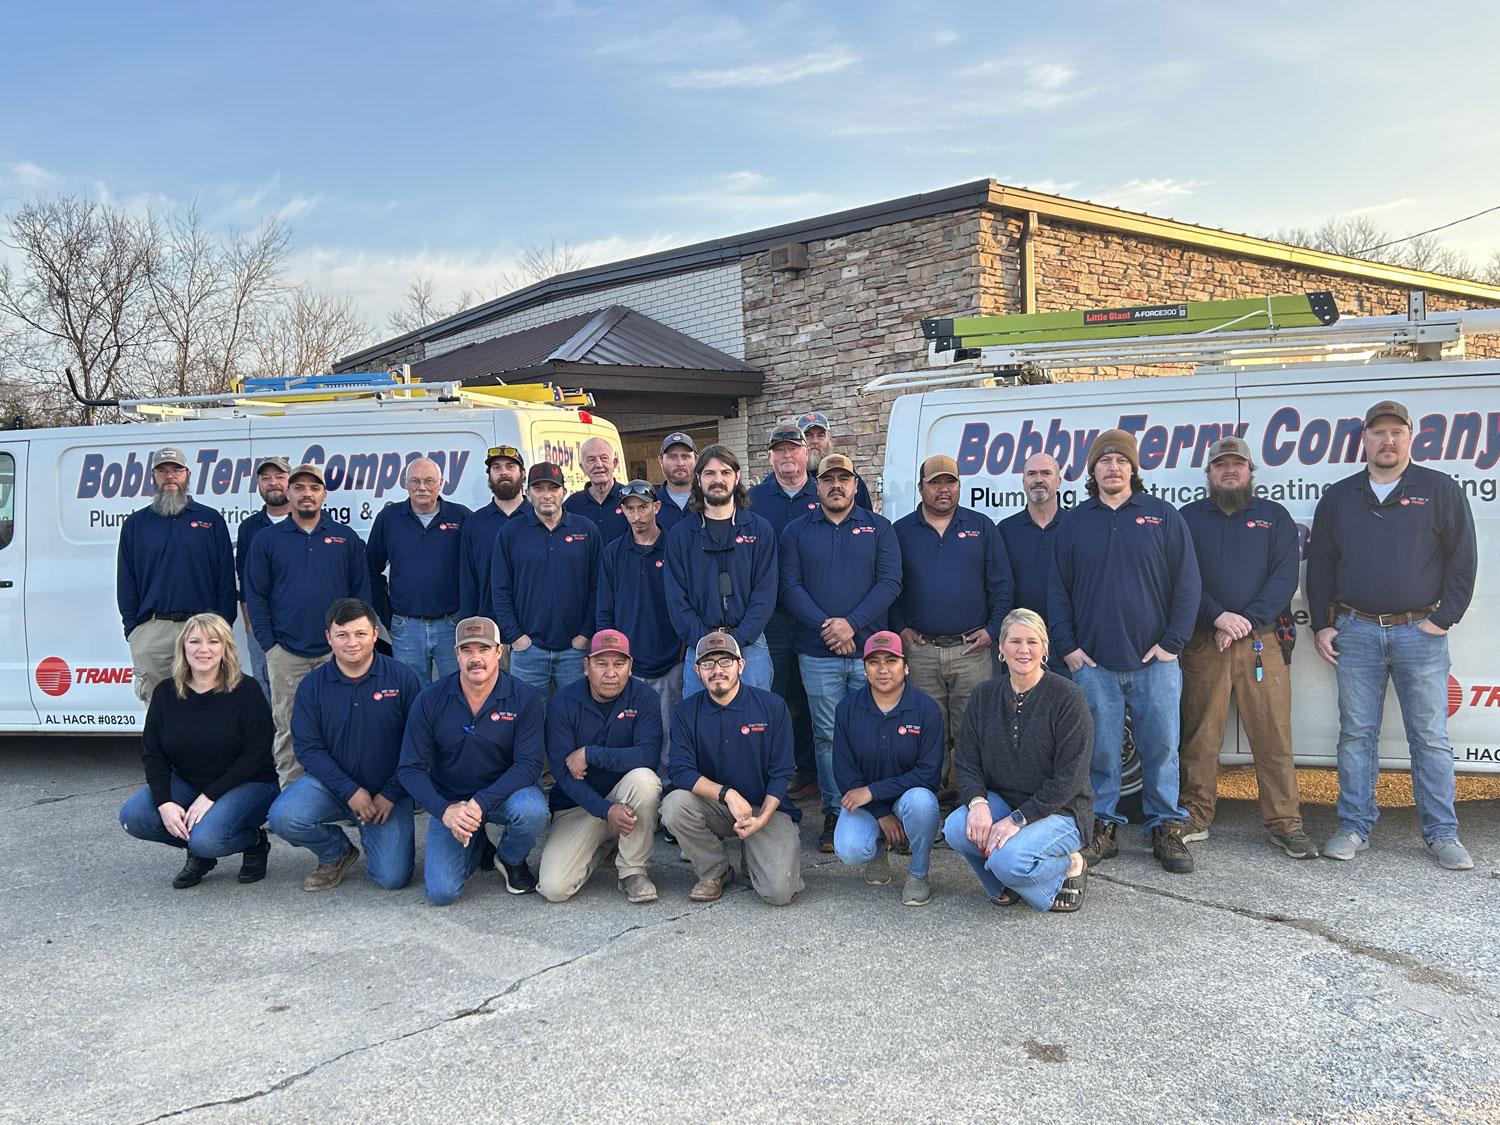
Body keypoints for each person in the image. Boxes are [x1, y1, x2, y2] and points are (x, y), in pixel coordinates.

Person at [1308, 399, 1478, 870]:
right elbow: (1321, 564)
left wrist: (1442, 620)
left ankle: (1442, 833)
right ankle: (1354, 826)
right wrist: (1323, 624)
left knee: (1429, 736)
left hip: (1419, 634)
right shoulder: (1339, 497)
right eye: (1378, 433)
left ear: (1410, 437)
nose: (1387, 441)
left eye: (1396, 432)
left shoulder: (1440, 490)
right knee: (1356, 734)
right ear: (1364, 440)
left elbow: (1463, 562)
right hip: (1356, 632)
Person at [1048, 430, 1201, 874]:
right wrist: (1069, 648)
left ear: (1133, 469)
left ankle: (1165, 827)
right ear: (1091, 471)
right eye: (1104, 461)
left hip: (1156, 663)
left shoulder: (1163, 516)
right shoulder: (1075, 523)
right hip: (1094, 664)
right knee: (1099, 750)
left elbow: (1187, 586)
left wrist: (1171, 644)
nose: (1113, 467)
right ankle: (1103, 827)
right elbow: (1057, 591)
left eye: (1121, 460)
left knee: (1162, 748)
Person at [1178, 437, 1315, 859]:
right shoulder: (1187, 519)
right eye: (1221, 465)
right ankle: (1194, 816)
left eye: (1237, 464)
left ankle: (1285, 824)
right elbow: (1182, 580)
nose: (1229, 471)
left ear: (1250, 472)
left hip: (1263, 643)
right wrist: (1218, 616)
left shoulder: (1274, 517)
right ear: (1209, 475)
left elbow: (1283, 581)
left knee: (1273, 736)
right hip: (1205, 642)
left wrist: (1244, 623)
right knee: (1199, 736)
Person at [779, 453, 902, 852]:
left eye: (843, 478)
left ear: (854, 484)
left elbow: (890, 583)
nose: (836, 485)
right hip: (817, 653)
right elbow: (790, 588)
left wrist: (850, 623)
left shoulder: (878, 528)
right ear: (817, 486)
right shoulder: (796, 532)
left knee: (874, 734)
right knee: (828, 736)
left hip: (871, 652)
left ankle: (878, 807)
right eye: (828, 478)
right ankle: (836, 810)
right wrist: (828, 628)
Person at [942, 609, 1094, 912]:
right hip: (1005, 801)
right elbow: (968, 761)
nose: (1023, 650)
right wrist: (978, 804)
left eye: (1032, 642)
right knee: (956, 828)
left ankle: (1069, 865)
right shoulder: (984, 695)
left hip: (1062, 811)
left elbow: (1070, 778)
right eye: (1014, 641)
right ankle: (1006, 883)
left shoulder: (1068, 698)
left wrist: (1017, 820)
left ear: (1045, 648)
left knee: (1007, 859)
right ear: (1001, 648)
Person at [267, 599, 422, 891]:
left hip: (387, 793)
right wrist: (350, 791)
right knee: (283, 817)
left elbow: (418, 745)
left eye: (360, 634)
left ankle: (375, 833)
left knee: (393, 878)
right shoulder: (312, 685)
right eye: (342, 635)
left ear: (376, 634)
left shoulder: (403, 678)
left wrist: (390, 792)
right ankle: (336, 852)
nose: (352, 643)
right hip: (333, 787)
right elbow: (309, 749)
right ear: (329, 637)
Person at [118, 612, 278, 889]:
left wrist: (209, 796)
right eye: (194, 642)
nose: (203, 650)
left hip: (249, 783)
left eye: (213, 642)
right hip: (189, 782)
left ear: (225, 648)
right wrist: (165, 802)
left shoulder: (247, 690)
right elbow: (153, 754)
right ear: (183, 647)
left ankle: (252, 841)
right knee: (135, 817)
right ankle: (199, 853)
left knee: (209, 838)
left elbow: (257, 755)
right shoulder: (166, 693)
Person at [397, 617, 549, 905]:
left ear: (499, 651)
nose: (475, 658)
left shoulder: (524, 697)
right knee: (442, 893)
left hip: (507, 794)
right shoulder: (430, 699)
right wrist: (445, 811)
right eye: (467, 650)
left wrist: (479, 803)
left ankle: (510, 858)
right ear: (456, 654)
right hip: (453, 800)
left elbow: (528, 765)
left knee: (533, 810)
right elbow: (410, 769)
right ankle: (477, 844)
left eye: (483, 648)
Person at [244, 463, 371, 786]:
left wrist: (355, 643)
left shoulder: (345, 539)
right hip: (287, 652)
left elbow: (361, 595)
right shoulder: (267, 540)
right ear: (289, 493)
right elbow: (255, 595)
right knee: (288, 727)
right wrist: (269, 645)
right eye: (299, 488)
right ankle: (291, 797)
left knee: (343, 726)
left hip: (339, 654)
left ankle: (342, 797)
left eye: (314, 488)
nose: (306, 494)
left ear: (324, 494)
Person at [890, 454, 1011, 790]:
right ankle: (932, 803)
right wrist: (901, 628)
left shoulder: (981, 526)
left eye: (950, 482)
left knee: (974, 731)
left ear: (959, 486)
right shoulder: (901, 531)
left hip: (970, 651)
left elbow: (1002, 586)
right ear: (921, 488)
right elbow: (891, 585)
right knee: (928, 734)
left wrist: (992, 630)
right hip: (921, 651)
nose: (943, 489)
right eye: (935, 483)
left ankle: (974, 804)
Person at [661, 634, 804, 906]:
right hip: (717, 805)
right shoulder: (685, 711)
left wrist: (761, 819)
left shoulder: (772, 706)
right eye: (708, 664)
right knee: (674, 805)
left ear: (741, 665)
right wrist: (727, 794)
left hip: (766, 808)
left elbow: (782, 771)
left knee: (778, 893)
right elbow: (680, 770)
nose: (717, 670)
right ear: (696, 670)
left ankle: (753, 852)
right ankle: (715, 870)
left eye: (725, 661)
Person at [537, 630, 664, 904]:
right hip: (576, 807)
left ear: (630, 667)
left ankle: (632, 870)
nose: (610, 673)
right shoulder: (562, 703)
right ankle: (605, 844)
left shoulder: (644, 698)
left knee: (645, 780)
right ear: (586, 667)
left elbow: (648, 755)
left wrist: (591, 754)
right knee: (554, 889)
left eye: (618, 664)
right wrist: (605, 811)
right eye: (601, 663)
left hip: (624, 797)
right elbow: (562, 774)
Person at [116, 446, 238, 705]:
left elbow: (225, 579)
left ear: (187, 474)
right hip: (153, 630)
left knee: (207, 703)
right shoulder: (136, 524)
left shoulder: (210, 520)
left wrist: (222, 626)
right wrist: (134, 630)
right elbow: (127, 583)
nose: (169, 476)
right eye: (162, 471)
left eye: (176, 470)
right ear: (153, 477)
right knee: (158, 707)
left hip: (202, 628)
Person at [832, 632, 943, 907]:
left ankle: (918, 873)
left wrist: (872, 791)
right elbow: (844, 770)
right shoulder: (848, 708)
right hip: (869, 805)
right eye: (873, 662)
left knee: (922, 802)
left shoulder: (926, 709)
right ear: (865, 668)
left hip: (904, 798)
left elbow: (928, 774)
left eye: (891, 660)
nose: (882, 669)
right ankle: (878, 849)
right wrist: (881, 812)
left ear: (905, 666)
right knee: (849, 849)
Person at [663, 443, 778, 695]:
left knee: (755, 724)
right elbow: (676, 597)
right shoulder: (681, 535)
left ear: (737, 477)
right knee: (701, 726)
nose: (718, 480)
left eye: (725, 472)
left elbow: (765, 592)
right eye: (710, 473)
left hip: (750, 647)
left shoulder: (759, 530)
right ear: (698, 479)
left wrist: (738, 640)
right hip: (700, 647)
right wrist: (704, 642)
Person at [746, 421, 822, 800]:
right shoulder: (754, 499)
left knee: (811, 697)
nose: (787, 455)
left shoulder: (825, 490)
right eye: (780, 450)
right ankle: (775, 771)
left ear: (807, 453)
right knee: (772, 698)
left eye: (794, 448)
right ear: (770, 456)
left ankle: (810, 771)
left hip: (815, 616)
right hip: (771, 617)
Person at [491, 462, 600, 698]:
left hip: (575, 650)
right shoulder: (510, 533)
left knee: (575, 718)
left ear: (565, 491)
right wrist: (516, 637)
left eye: (553, 488)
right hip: (529, 651)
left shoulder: (586, 530)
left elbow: (598, 587)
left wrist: (585, 635)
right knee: (527, 721)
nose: (547, 495)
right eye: (538, 489)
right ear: (527, 493)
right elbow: (500, 590)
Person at [596, 481, 682, 775]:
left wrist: (681, 651)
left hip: (670, 660)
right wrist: (611, 659)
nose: (637, 515)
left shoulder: (675, 547)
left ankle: (668, 797)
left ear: (656, 507)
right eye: (629, 508)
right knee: (630, 734)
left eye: (643, 507)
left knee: (670, 733)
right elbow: (604, 610)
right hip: (628, 663)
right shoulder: (613, 553)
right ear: (622, 511)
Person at [367, 457, 471, 682]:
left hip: (451, 624)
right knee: (411, 693)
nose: (422, 487)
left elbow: (475, 571)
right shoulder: (389, 519)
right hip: (406, 626)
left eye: (429, 481)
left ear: (441, 483)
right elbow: (372, 571)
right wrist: (386, 618)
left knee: (456, 691)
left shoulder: (461, 517)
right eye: (415, 481)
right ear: (405, 484)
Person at [235, 455, 292, 696]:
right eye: (266, 478)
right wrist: (250, 625)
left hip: (299, 625)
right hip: (262, 626)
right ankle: (273, 735)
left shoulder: (307, 522)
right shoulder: (249, 528)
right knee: (266, 687)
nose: (273, 483)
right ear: (258, 484)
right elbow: (244, 580)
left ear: (291, 482)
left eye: (280, 477)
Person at [998, 453, 1068, 634]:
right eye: (1031, 474)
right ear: (1023, 482)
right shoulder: (1005, 530)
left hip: (1070, 642)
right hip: (1021, 641)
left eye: (1046, 473)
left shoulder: (1076, 526)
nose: (1038, 480)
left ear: (1058, 481)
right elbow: (998, 589)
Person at [458, 445, 530, 622]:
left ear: (522, 474)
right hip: (489, 630)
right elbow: (468, 583)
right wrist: (470, 625)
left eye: (510, 467)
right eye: (496, 467)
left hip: (533, 631)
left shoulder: (539, 519)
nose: (503, 472)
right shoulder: (475, 524)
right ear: (489, 475)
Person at [797, 410, 872, 509]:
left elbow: (866, 517)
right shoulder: (787, 478)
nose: (815, 441)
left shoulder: (848, 475)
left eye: (820, 436)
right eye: (808, 435)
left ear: (829, 440)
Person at [563, 436, 628, 543]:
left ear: (614, 463)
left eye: (604, 458)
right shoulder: (572, 505)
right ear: (582, 467)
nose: (599, 465)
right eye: (591, 460)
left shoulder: (630, 499)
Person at [655, 432, 697, 536]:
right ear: (661, 461)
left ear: (696, 460)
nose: (680, 463)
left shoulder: (709, 501)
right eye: (672, 457)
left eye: (685, 457)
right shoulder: (651, 504)